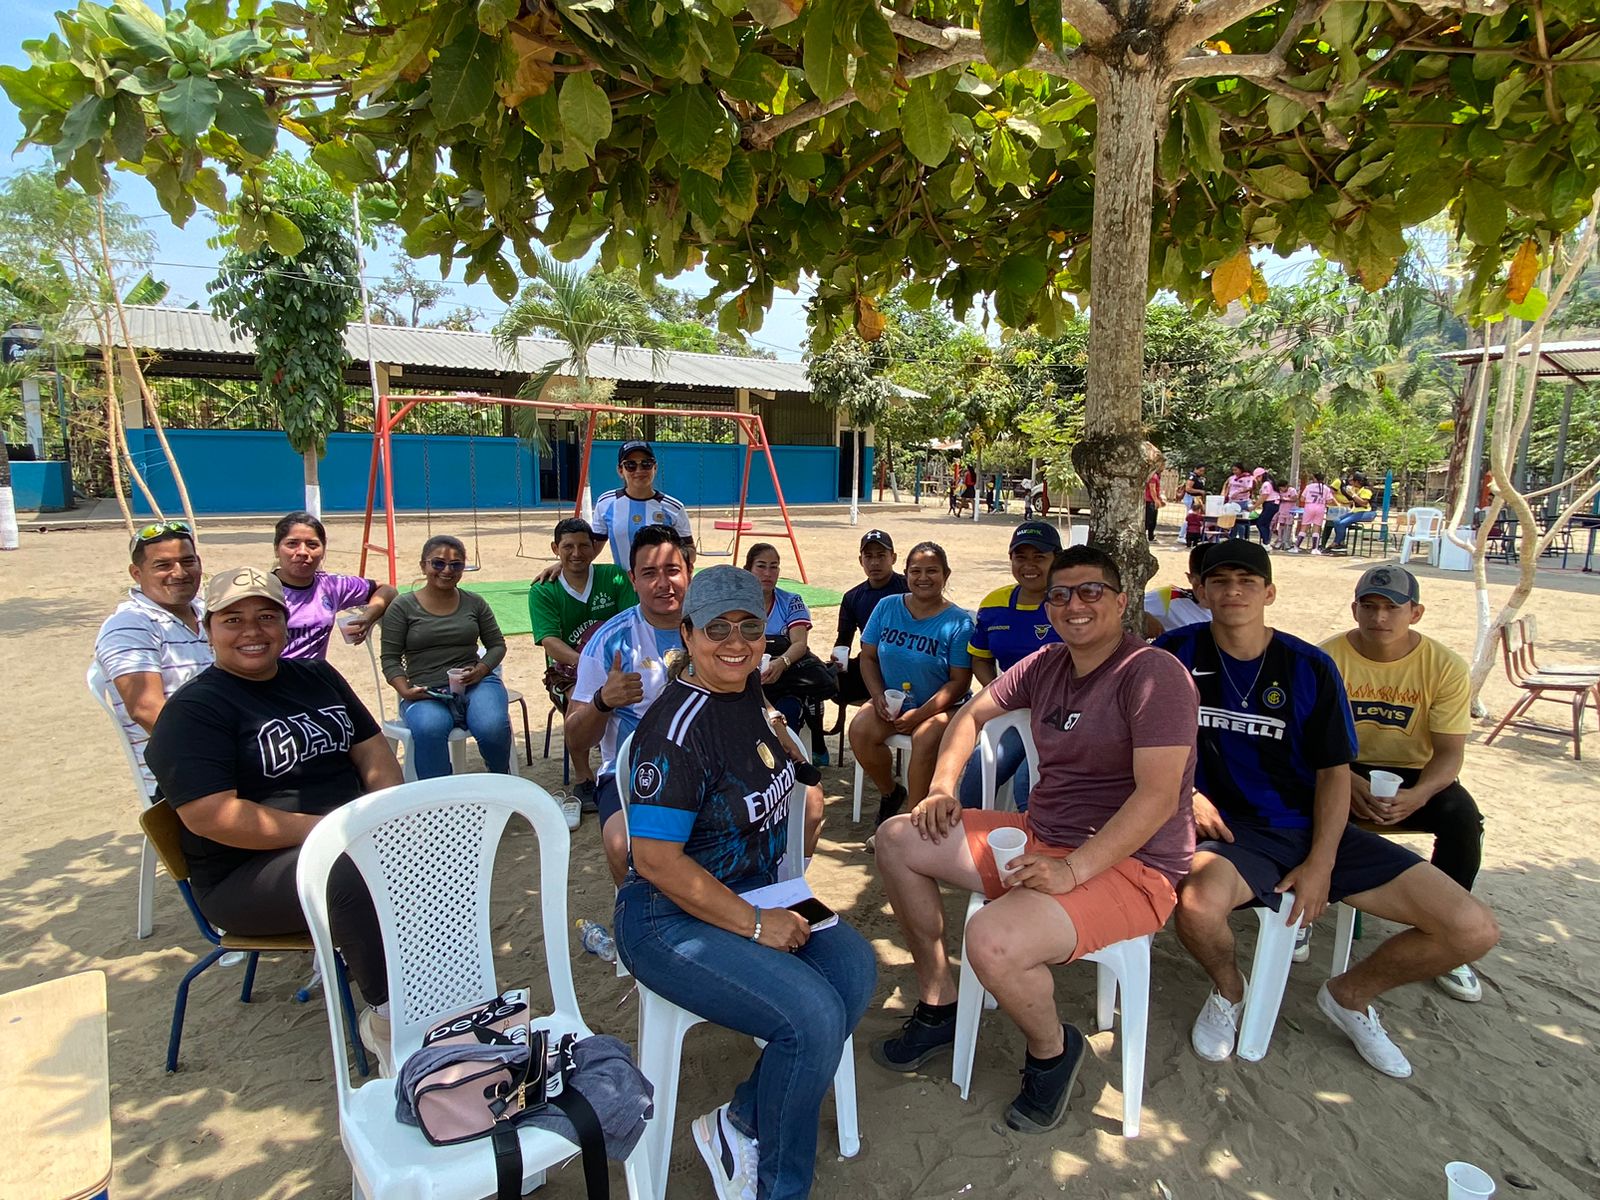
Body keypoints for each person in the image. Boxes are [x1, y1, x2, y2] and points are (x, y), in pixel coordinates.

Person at [870, 544, 1198, 1133]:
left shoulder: (1153, 675)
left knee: (991, 940)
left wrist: (1072, 870)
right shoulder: (1047, 663)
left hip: (1132, 865)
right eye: (1060, 594)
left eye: (1091, 591)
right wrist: (941, 787)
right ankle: (940, 1003)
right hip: (1040, 834)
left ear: (1121, 601)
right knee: (897, 838)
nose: (1074, 605)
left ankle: (1052, 1051)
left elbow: (1156, 799)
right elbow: (971, 714)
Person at [1155, 542, 1498, 1078]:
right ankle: (1229, 990)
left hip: (1310, 823)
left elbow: (1335, 775)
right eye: (1219, 581)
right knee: (1197, 907)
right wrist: (1187, 793)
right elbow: (1140, 740)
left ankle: (1349, 995)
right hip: (1234, 833)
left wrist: (1321, 862)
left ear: (1269, 593)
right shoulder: (1173, 653)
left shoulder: (1310, 665)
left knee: (1472, 929)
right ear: (1200, 590)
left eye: (1247, 581)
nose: (1233, 591)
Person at [615, 567, 874, 1200]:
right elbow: (655, 861)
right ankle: (780, 1187)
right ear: (688, 633)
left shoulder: (749, 691)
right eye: (718, 629)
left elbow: (771, 744)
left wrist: (787, 745)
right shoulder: (674, 733)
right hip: (667, 916)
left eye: (750, 628)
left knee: (855, 971)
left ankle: (742, 1120)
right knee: (810, 1017)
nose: (736, 643)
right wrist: (757, 925)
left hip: (757, 886)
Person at [144, 567, 402, 1074]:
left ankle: (446, 994)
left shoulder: (317, 676)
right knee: (349, 874)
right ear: (207, 628)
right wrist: (334, 833)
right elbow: (211, 817)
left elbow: (374, 753)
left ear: (286, 624)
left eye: (266, 617)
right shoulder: (195, 710)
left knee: (440, 846)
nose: (252, 631)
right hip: (244, 875)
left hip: (348, 839)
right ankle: (390, 1021)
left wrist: (383, 818)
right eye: (232, 620)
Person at [1321, 565, 1486, 1003]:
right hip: (1339, 764)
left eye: (1392, 608)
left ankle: (1447, 928)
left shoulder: (1444, 666)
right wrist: (1346, 779)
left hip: (1412, 770)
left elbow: (1449, 752)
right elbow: (1305, 743)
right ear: (1354, 609)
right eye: (1369, 606)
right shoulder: (1325, 659)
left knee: (1462, 817)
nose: (1379, 617)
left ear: (1415, 613)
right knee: (1299, 806)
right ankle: (1300, 909)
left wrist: (1419, 794)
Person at [567, 525, 691, 884]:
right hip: (632, 771)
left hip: (707, 764)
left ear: (688, 572)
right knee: (622, 846)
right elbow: (576, 739)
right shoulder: (609, 641)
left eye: (672, 570)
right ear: (633, 580)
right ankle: (636, 914)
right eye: (649, 573)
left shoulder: (713, 630)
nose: (663, 583)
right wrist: (603, 701)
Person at [849, 542, 974, 836]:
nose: (923, 578)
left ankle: (911, 820)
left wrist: (920, 715)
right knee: (860, 730)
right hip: (893, 701)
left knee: (925, 738)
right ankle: (891, 792)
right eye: (916, 571)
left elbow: (959, 682)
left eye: (932, 571)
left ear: (946, 574)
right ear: (905, 574)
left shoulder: (959, 622)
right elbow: (868, 657)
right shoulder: (887, 606)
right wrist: (877, 696)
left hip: (941, 706)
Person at [379, 535, 513, 781]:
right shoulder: (403, 607)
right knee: (429, 728)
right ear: (423, 566)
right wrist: (405, 690)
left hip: (475, 682)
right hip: (427, 690)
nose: (447, 570)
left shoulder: (474, 602)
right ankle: (441, 796)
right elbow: (390, 658)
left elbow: (496, 645)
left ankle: (501, 782)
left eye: (456, 565)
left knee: (492, 726)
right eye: (438, 563)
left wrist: (482, 670)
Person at [529, 516, 637, 815]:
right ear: (555, 549)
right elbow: (550, 641)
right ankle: (584, 777)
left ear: (594, 548)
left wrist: (608, 663)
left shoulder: (613, 576)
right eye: (568, 547)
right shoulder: (544, 589)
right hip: (567, 669)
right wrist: (589, 664)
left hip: (619, 660)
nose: (576, 553)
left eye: (583, 546)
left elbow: (631, 621)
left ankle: (631, 761)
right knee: (581, 702)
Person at [94, 520, 214, 790]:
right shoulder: (130, 626)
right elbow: (147, 710)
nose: (179, 573)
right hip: (186, 777)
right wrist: (228, 752)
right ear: (136, 573)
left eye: (187, 561)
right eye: (163, 565)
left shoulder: (208, 611)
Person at [956, 521, 1064, 810]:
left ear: (1057, 559)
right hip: (1015, 709)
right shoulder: (995, 604)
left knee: (1026, 784)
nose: (1029, 565)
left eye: (1039, 557)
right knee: (979, 772)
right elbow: (980, 657)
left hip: (1063, 714)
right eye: (1020, 557)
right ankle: (970, 830)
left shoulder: (1070, 603)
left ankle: (1033, 837)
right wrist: (998, 691)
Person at [745, 542, 838, 762]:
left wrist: (782, 663)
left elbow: (799, 643)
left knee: (788, 710)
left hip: (785, 678)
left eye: (774, 567)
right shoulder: (738, 604)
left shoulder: (791, 601)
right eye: (761, 566)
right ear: (748, 569)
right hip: (747, 678)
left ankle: (793, 762)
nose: (768, 573)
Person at [271, 511, 397, 661]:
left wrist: (368, 616)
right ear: (276, 549)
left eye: (312, 544)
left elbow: (387, 589)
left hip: (314, 672)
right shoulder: (262, 590)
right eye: (292, 544)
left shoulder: (332, 586)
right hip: (270, 673)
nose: (303, 552)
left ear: (323, 550)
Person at [829, 530, 910, 712]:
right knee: (825, 677)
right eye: (869, 556)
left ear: (893, 558)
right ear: (861, 560)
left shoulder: (908, 589)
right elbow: (844, 639)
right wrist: (837, 658)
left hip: (906, 662)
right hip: (871, 662)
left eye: (881, 556)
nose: (874, 562)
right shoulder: (852, 597)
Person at [591, 440, 695, 568]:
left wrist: (665, 559)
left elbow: (690, 551)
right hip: (623, 580)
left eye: (646, 464)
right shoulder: (606, 503)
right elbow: (591, 550)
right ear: (620, 470)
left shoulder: (674, 507)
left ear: (655, 468)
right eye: (630, 465)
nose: (639, 470)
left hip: (660, 580)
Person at [1142, 542, 1214, 638]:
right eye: (1201, 582)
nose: (1207, 590)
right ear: (1190, 578)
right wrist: (1143, 616)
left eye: (1220, 582)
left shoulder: (1232, 607)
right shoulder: (1168, 597)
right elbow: (1126, 609)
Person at [1327, 470, 1376, 552]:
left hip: (1367, 512)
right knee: (1336, 520)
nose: (1351, 482)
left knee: (1343, 523)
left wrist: (1353, 495)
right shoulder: (1357, 488)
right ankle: (1340, 542)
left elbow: (1364, 503)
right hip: (1356, 511)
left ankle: (1336, 543)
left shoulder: (1366, 490)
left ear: (1357, 482)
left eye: (1352, 480)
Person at [1297, 472, 1334, 554]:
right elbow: (1330, 500)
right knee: (1316, 527)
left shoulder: (1309, 486)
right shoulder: (1326, 488)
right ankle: (1314, 549)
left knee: (1304, 527)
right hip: (1320, 507)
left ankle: (1296, 547)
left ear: (1315, 478)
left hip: (1309, 506)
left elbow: (1302, 498)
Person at [1271, 477, 1301, 551]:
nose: (1281, 489)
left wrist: (1286, 499)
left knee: (1288, 526)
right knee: (1281, 525)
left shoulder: (1292, 490)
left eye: (1282, 488)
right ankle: (1280, 540)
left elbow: (1295, 499)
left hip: (1290, 511)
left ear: (1286, 486)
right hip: (1282, 510)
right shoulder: (1279, 491)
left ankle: (1286, 541)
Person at [1253, 472, 1280, 547]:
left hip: (1270, 504)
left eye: (1258, 477)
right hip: (1272, 504)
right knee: (1265, 524)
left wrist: (1254, 506)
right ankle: (1266, 541)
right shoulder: (1270, 483)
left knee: (1260, 523)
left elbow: (1264, 496)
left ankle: (1266, 542)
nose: (1258, 479)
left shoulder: (1266, 484)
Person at [1143, 468, 1164, 543]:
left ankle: (1150, 536)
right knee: (1149, 520)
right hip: (1150, 500)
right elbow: (1152, 489)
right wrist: (1156, 500)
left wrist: (1159, 498)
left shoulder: (1156, 476)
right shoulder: (1153, 476)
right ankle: (1148, 536)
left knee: (1152, 520)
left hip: (1151, 500)